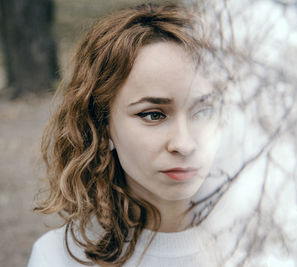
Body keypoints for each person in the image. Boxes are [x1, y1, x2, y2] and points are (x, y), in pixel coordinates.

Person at [28, 3, 222, 266]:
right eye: (154, 115)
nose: (184, 145)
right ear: (102, 123)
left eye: (203, 112)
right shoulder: (60, 258)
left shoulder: (274, 245)